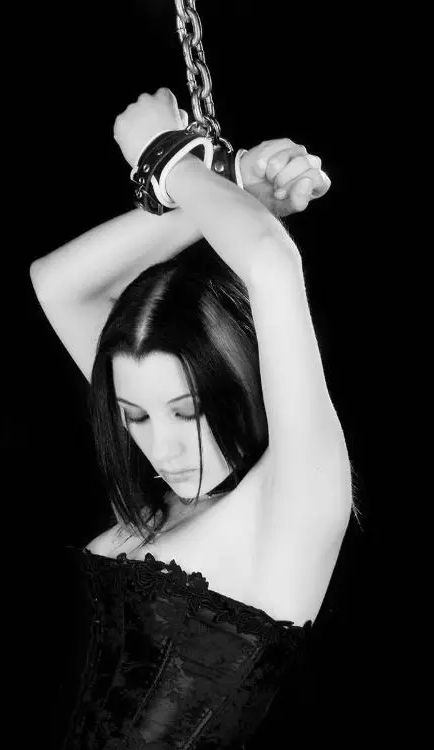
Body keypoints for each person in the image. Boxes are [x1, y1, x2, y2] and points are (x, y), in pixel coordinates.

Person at [29, 88, 357, 749]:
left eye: (188, 411)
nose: (163, 448)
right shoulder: (173, 498)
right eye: (136, 417)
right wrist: (229, 184)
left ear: (239, 384)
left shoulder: (295, 501)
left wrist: (168, 160)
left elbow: (270, 263)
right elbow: (57, 285)